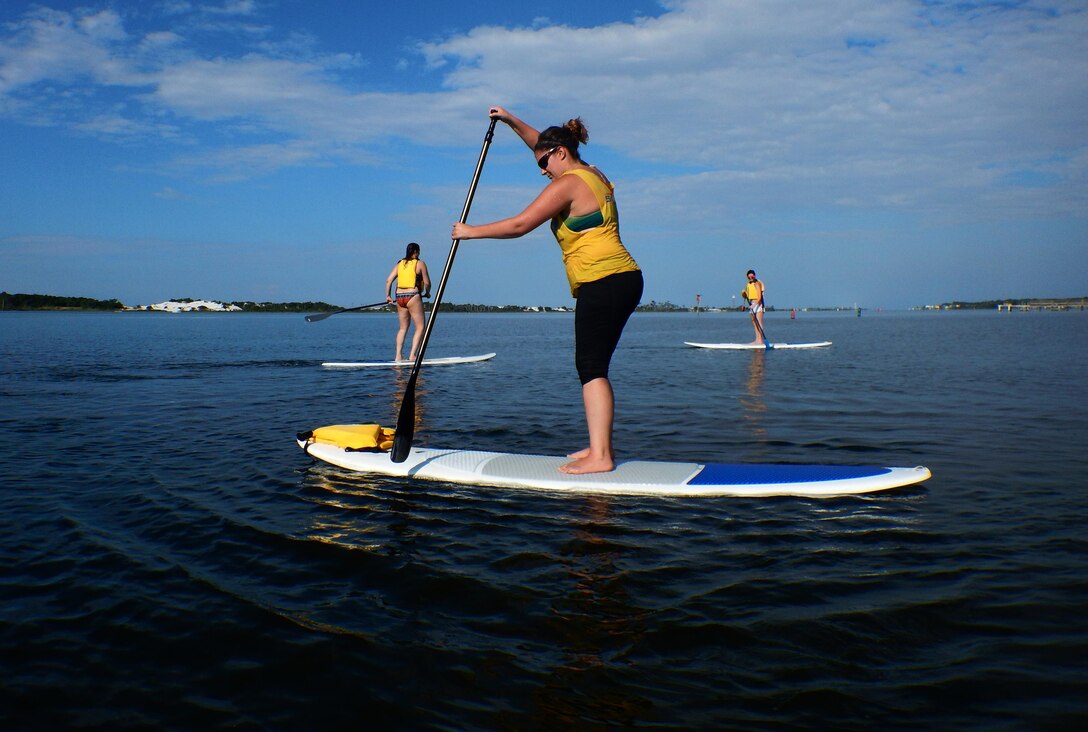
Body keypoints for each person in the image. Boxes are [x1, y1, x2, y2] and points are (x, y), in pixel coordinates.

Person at [452, 107, 643, 474]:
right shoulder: (592, 173)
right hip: (620, 278)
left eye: (544, 162)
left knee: (591, 367)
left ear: (560, 153)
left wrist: (469, 231)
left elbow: (521, 224)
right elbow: (542, 144)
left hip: (604, 280)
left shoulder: (568, 183)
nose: (541, 170)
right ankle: (599, 447)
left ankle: (602, 456)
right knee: (592, 366)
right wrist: (509, 120)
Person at [384, 242, 431, 362]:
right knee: (420, 327)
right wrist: (428, 293)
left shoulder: (400, 264)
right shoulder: (420, 263)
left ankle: (398, 356)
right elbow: (427, 283)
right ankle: (413, 356)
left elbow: (389, 280)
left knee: (403, 328)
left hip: (399, 296)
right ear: (416, 251)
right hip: (413, 296)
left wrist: (388, 296)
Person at [741, 269, 766, 344]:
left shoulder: (757, 283)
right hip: (751, 303)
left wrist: (755, 304)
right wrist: (744, 294)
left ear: (754, 276)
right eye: (749, 277)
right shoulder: (748, 284)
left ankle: (760, 340)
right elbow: (746, 296)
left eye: (752, 277)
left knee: (759, 322)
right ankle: (757, 340)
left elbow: (759, 297)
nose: (751, 278)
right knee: (754, 322)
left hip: (758, 303)